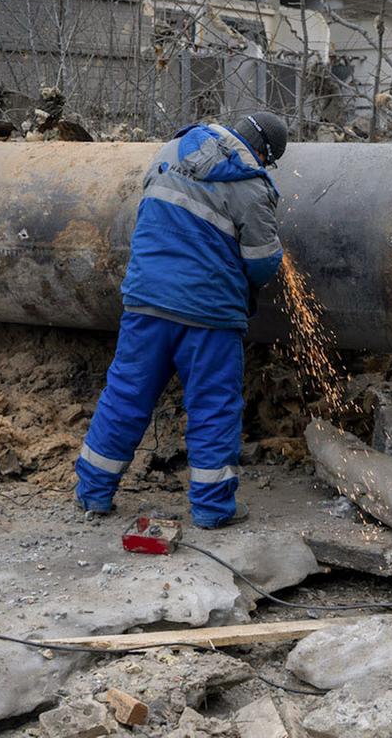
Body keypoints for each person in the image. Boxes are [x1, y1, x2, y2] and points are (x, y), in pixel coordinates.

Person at [74, 112, 288, 528]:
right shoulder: (251, 185)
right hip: (208, 314)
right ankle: (211, 509)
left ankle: (92, 494)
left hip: (146, 300)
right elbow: (262, 263)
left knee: (126, 395)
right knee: (212, 406)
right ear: (262, 152)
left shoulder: (172, 148)